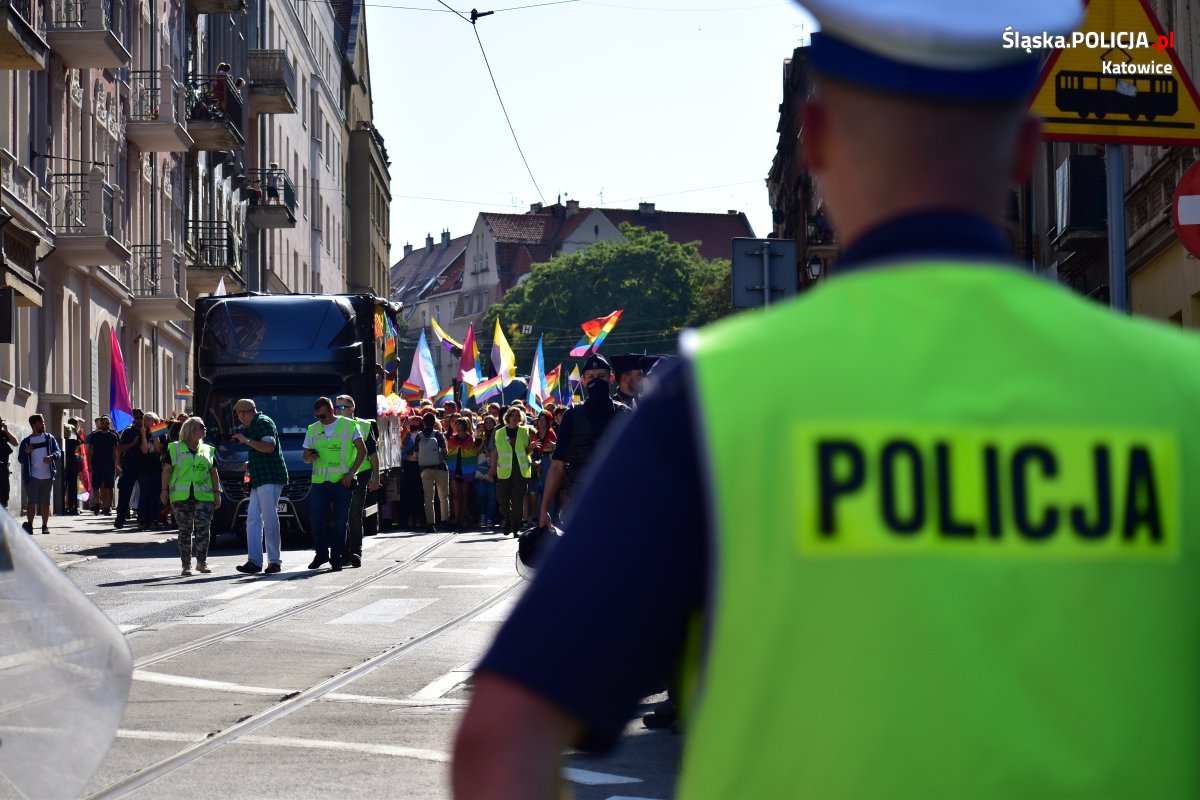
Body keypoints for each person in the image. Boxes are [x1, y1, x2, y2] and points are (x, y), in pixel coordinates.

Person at [452, 2, 1200, 798]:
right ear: (1023, 149)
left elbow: (503, 742)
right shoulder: (1176, 397)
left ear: (816, 143)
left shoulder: (718, 404)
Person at [537, 353, 629, 528]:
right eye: (591, 377)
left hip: (620, 502)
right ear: (584, 381)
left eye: (601, 376)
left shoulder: (624, 414)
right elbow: (557, 466)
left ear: (610, 379)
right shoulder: (571, 416)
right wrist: (544, 509)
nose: (596, 381)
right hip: (581, 504)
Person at [302, 396, 365, 572]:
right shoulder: (312, 429)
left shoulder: (349, 426)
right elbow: (305, 456)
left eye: (322, 416)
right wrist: (308, 457)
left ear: (331, 411)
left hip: (341, 481)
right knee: (315, 519)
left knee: (340, 521)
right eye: (317, 417)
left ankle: (336, 558)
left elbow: (362, 450)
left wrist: (351, 473)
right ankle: (321, 553)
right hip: (320, 481)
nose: (319, 420)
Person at [232, 398, 288, 574]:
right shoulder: (258, 423)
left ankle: (274, 561)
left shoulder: (262, 422)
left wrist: (246, 440)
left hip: (269, 478)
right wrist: (252, 462)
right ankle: (255, 561)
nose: (238, 418)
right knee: (253, 519)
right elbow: (264, 450)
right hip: (260, 477)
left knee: (269, 519)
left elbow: (269, 447)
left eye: (238, 415)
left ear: (243, 412)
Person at [160, 416, 221, 577]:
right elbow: (167, 470)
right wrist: (164, 490)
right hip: (181, 496)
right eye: (202, 426)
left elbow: (213, 472)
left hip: (204, 496)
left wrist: (217, 492)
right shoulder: (174, 448)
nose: (205, 429)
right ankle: (186, 565)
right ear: (192, 429)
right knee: (185, 531)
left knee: (203, 529)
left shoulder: (208, 449)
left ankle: (202, 562)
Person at [333, 394, 380, 567]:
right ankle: (342, 552)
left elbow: (373, 454)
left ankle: (355, 552)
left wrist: (376, 476)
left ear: (352, 408)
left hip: (360, 474)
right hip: (338, 474)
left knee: (354, 514)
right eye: (336, 407)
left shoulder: (363, 425)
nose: (338, 411)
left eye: (342, 407)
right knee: (340, 515)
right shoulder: (331, 425)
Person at [490, 406, 532, 537]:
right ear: (507, 417)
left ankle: (515, 526)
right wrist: (492, 468)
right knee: (502, 499)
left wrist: (530, 448)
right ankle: (508, 519)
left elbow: (526, 451)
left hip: (520, 470)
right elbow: (496, 452)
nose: (515, 418)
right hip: (504, 470)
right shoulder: (499, 432)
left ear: (520, 418)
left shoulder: (525, 431)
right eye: (512, 415)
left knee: (518, 499)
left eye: (517, 416)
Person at [17, 414, 60, 535]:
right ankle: (29, 525)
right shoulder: (26, 441)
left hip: (48, 476)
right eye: (41, 422)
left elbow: (58, 452)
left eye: (43, 422)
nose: (43, 424)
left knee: (46, 503)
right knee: (32, 502)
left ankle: (44, 526)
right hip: (33, 477)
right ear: (34, 424)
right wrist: (26, 452)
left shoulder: (49, 438)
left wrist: (52, 457)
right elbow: (20, 459)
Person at [416, 411, 449, 533]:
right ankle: (444, 521)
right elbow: (445, 451)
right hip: (440, 468)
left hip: (425, 469)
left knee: (428, 498)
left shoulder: (419, 436)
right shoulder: (439, 435)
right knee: (443, 497)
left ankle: (430, 523)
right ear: (435, 422)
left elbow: (416, 454)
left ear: (423, 423)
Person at [113, 409, 145, 529]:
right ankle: (120, 519)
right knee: (125, 494)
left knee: (144, 494)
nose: (140, 420)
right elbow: (119, 449)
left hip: (144, 467)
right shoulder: (127, 432)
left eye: (141, 417)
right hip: (130, 466)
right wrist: (133, 443)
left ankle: (142, 518)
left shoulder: (148, 430)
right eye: (137, 418)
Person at [446, 416, 478, 531]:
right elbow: (449, 453)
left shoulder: (470, 439)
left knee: (464, 495)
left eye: (459, 424)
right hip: (455, 468)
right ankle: (456, 518)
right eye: (456, 424)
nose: (456, 425)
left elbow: (473, 454)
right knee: (455, 495)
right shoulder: (451, 439)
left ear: (464, 426)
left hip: (466, 469)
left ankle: (462, 518)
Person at [136, 413, 165, 531]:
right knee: (144, 494)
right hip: (144, 469)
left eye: (149, 419)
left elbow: (158, 449)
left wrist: (156, 434)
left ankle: (154, 519)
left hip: (157, 468)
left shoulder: (161, 433)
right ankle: (142, 519)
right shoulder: (141, 434)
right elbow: (144, 450)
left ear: (155, 421)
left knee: (155, 495)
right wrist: (143, 434)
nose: (146, 421)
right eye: (145, 419)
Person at [85, 416, 119, 515]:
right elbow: (90, 450)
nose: (105, 424)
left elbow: (115, 450)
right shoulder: (95, 436)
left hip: (109, 464)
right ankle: (97, 502)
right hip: (96, 464)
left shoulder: (113, 436)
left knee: (109, 486)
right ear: (100, 423)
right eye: (104, 422)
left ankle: (107, 507)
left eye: (107, 423)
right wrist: (90, 464)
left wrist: (116, 463)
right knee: (96, 485)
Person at [400, 414, 426, 528]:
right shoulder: (405, 435)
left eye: (417, 420)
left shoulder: (423, 435)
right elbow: (401, 449)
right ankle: (410, 517)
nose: (414, 422)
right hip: (408, 465)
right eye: (412, 420)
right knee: (409, 492)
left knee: (420, 493)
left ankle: (419, 517)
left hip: (420, 466)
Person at [475, 415, 498, 528]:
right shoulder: (480, 436)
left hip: (494, 468)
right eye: (486, 423)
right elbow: (476, 452)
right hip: (482, 469)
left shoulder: (498, 436)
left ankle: (490, 517)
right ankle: (482, 515)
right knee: (481, 494)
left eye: (491, 423)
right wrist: (483, 443)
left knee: (492, 496)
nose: (488, 425)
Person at [61, 419, 81, 515]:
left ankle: (63, 506)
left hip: (64, 463)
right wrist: (76, 432)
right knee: (72, 486)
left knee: (64, 486)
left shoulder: (64, 437)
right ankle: (71, 506)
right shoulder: (73, 436)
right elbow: (80, 442)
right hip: (71, 463)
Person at [0, 417, 18, 512]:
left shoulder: (3, 434)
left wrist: (7, 430)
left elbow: (15, 443)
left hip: (3, 470)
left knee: (4, 495)